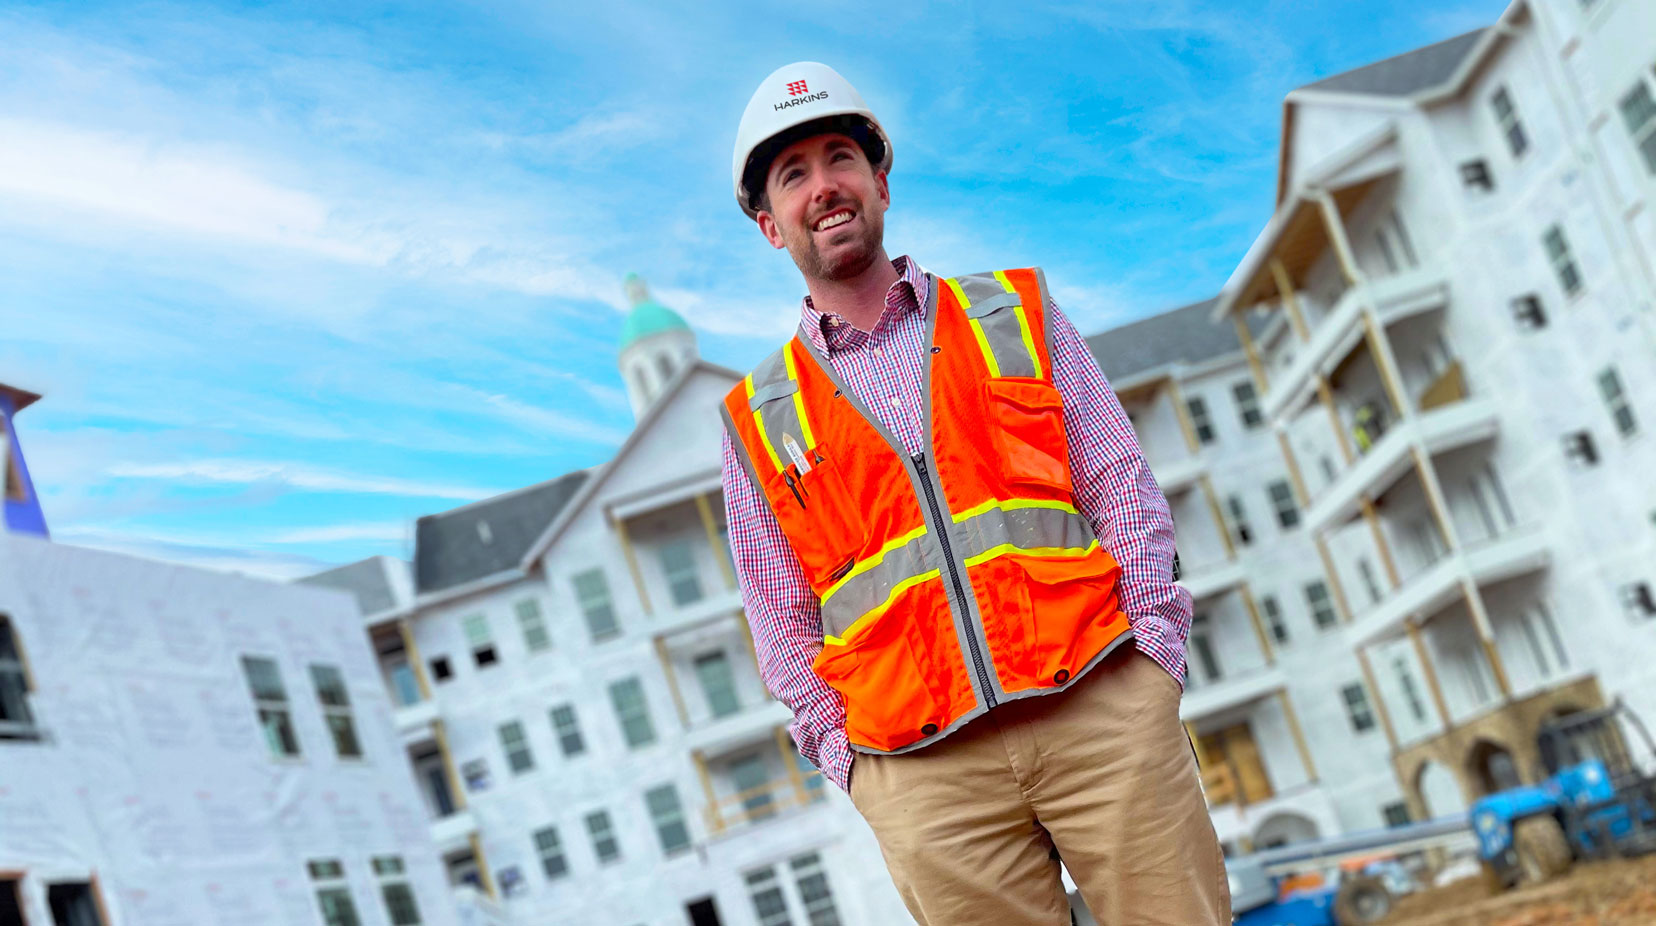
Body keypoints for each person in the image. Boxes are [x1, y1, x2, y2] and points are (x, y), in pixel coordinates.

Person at [718, 61, 1231, 926]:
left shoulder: (1012, 315)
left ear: (880, 181)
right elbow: (781, 625)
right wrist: (855, 765)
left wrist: (1152, 664)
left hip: (1102, 709)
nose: (824, 187)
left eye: (840, 156)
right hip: (924, 779)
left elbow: (1121, 489)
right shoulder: (761, 419)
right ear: (771, 225)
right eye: (793, 174)